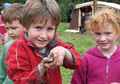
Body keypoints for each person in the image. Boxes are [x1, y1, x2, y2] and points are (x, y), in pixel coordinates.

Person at [5, 0, 81, 84]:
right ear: (26, 26)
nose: (44, 36)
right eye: (38, 27)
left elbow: (78, 62)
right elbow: (21, 80)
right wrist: (42, 67)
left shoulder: (54, 43)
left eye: (50, 29)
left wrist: (64, 51)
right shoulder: (17, 48)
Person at [71, 8, 120, 84]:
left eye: (108, 33)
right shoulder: (85, 60)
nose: (102, 39)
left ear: (117, 32)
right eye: (98, 34)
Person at [0, 3, 25, 84]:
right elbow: (2, 72)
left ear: (26, 25)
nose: (10, 32)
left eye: (14, 28)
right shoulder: (7, 46)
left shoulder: (35, 46)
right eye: (7, 28)